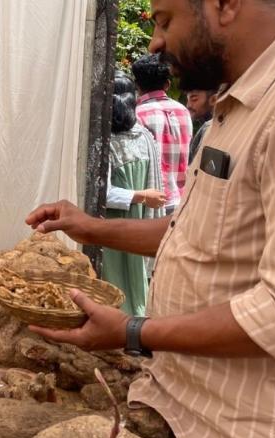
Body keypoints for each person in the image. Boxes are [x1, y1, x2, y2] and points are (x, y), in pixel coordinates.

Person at [25, 0, 275, 438]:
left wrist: (133, 331)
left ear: (226, 5)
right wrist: (91, 226)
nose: (154, 43)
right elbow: (198, 232)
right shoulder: (246, 98)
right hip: (200, 424)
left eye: (165, 20)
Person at [104, 70, 166, 317]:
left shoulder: (143, 136)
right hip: (113, 225)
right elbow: (104, 193)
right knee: (116, 278)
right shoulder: (106, 141)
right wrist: (141, 196)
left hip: (135, 221)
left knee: (133, 277)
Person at [132, 53, 192, 214]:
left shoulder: (136, 114)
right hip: (181, 199)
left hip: (151, 201)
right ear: (167, 84)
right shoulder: (184, 111)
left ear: (137, 84)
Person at [184, 88, 217, 164]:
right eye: (187, 99)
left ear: (214, 99)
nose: (188, 105)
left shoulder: (208, 127)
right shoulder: (205, 126)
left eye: (194, 99)